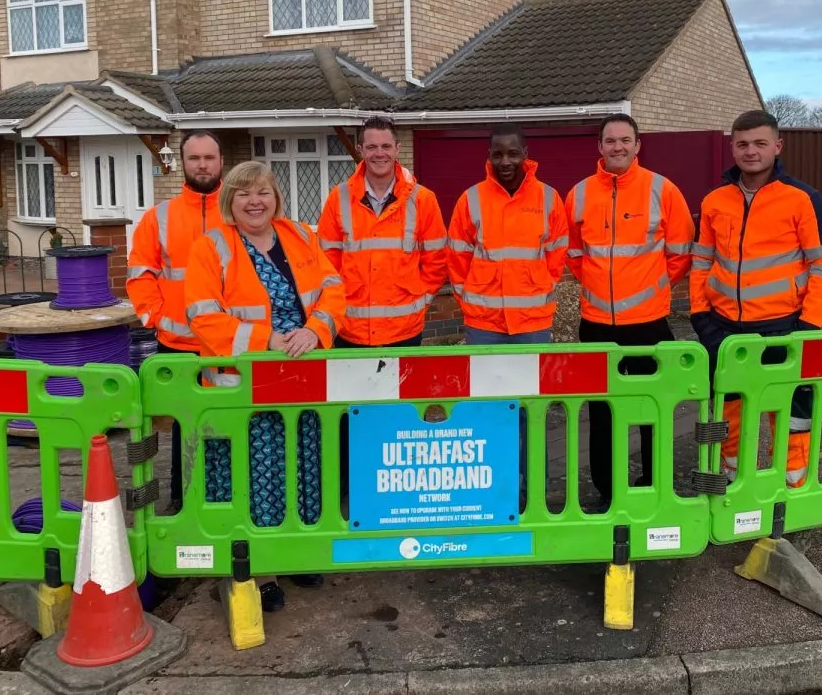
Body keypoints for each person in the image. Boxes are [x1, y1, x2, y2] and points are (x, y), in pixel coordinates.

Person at [185, 161, 345, 613]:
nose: (255, 201)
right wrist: (266, 340)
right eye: (243, 194)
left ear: (276, 197)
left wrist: (316, 329)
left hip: (300, 376)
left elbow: (334, 288)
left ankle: (296, 553)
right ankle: (258, 568)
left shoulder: (300, 237)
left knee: (303, 466)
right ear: (228, 201)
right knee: (255, 477)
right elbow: (203, 315)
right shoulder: (211, 246)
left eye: (263, 192)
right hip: (243, 386)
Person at [689, 109, 822, 487]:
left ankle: (790, 488)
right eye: (742, 144)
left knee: (790, 412)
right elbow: (701, 261)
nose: (751, 151)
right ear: (732, 148)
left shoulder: (805, 199)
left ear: (778, 145)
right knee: (727, 411)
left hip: (784, 327)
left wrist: (807, 326)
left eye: (759, 143)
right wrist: (699, 316)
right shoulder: (714, 201)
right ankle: (728, 486)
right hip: (724, 330)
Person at [564, 113, 694, 506]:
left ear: (638, 145)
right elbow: (573, 253)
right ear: (599, 147)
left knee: (652, 410)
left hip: (649, 325)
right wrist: (596, 286)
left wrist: (652, 289)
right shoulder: (580, 194)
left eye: (625, 140)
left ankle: (654, 483)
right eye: (610, 140)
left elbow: (681, 252)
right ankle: (608, 489)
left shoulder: (662, 190)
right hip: (597, 324)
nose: (617, 147)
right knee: (602, 414)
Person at [127, 129, 224, 507]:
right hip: (177, 345)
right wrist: (155, 316)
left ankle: (223, 501)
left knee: (226, 425)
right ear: (181, 163)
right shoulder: (159, 217)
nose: (202, 165)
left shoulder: (238, 211)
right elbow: (140, 272)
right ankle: (180, 502)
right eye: (194, 158)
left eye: (209, 158)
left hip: (227, 346)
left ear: (221, 162)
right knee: (182, 429)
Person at [317, 115, 447, 349]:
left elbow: (437, 263)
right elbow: (326, 263)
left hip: (404, 330)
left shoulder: (423, 200)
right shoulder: (338, 198)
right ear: (361, 150)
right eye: (372, 147)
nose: (380, 153)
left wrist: (419, 300)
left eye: (386, 146)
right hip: (349, 328)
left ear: (397, 149)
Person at [448, 123, 568, 346]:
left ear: (525, 153)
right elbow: (457, 258)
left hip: (533, 321)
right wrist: (468, 301)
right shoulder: (470, 199)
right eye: (498, 155)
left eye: (513, 154)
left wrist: (539, 287)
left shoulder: (549, 198)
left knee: (532, 381)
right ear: (489, 156)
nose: (505, 162)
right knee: (484, 382)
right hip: (483, 323)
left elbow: (556, 256)